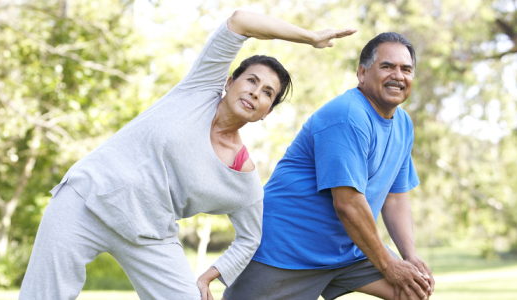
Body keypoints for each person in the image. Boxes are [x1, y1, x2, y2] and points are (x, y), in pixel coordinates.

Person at [18, 10, 356, 300]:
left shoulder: (243, 178)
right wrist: (310, 36)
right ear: (229, 81)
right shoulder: (198, 89)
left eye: (268, 92)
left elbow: (250, 237)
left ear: (266, 112)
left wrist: (211, 274)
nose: (256, 91)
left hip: (148, 235)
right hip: (86, 200)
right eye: (251, 80)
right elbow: (240, 20)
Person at [223, 33, 434, 300]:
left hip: (348, 250)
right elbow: (347, 204)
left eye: (406, 69)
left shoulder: (403, 124)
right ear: (362, 73)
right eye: (387, 66)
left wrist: (409, 256)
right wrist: (389, 265)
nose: (398, 75)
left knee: (413, 290)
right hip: (287, 249)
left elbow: (395, 197)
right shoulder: (347, 116)